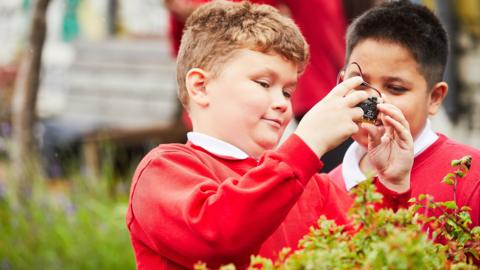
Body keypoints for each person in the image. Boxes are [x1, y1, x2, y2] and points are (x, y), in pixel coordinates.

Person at [127, 1, 414, 269]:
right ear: (201, 87)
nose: (282, 102)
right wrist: (305, 145)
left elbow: (376, 253)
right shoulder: (163, 169)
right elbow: (219, 237)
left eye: (288, 91)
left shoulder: (313, 187)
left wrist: (393, 185)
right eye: (263, 83)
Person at [329, 1, 480, 227]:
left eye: (396, 88)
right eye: (360, 84)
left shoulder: (469, 176)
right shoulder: (328, 185)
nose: (375, 101)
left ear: (434, 97)